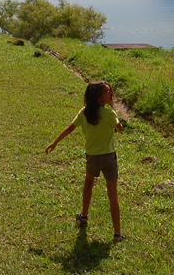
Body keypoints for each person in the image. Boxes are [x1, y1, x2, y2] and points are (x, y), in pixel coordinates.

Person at [45, 80, 126, 242]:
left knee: (89, 183)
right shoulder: (110, 114)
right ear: (98, 97)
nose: (111, 94)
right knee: (113, 194)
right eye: (107, 92)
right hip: (109, 157)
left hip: (92, 158)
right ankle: (117, 234)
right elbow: (119, 128)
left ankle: (84, 216)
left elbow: (70, 128)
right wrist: (115, 123)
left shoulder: (84, 113)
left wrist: (55, 142)